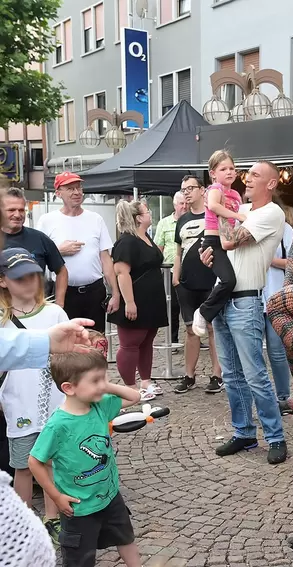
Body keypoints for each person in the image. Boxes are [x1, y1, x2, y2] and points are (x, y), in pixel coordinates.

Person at [200, 160, 287, 465]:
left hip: (246, 301)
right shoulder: (242, 210)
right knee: (233, 376)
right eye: (246, 174)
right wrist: (208, 258)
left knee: (255, 375)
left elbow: (229, 241)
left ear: (271, 184)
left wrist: (219, 205)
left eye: (254, 175)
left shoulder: (271, 213)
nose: (246, 179)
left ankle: (275, 437)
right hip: (224, 298)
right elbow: (220, 248)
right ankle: (244, 433)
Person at [28, 348, 143, 567]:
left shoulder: (100, 406)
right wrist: (56, 497)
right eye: (95, 381)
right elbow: (35, 462)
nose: (102, 385)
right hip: (78, 507)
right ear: (69, 388)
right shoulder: (57, 425)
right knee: (80, 558)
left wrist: (103, 384)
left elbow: (134, 396)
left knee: (125, 538)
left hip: (110, 496)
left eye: (103, 378)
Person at [0, 248, 67, 544]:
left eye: (33, 275)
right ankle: (23, 520)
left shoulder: (55, 313)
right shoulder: (2, 320)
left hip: (55, 401)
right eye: (19, 277)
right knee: (23, 464)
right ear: (3, 281)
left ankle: (52, 519)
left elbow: (68, 358)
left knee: (50, 461)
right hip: (18, 402)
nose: (29, 282)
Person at [37, 172, 120, 333]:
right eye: (70, 189)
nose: (77, 192)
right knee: (67, 344)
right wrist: (59, 251)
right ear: (58, 193)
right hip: (64, 293)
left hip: (95, 292)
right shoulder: (47, 221)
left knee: (96, 341)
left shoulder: (96, 219)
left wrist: (115, 293)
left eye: (79, 187)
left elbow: (106, 259)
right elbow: (37, 258)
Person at [108, 200, 168, 401]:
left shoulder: (145, 237)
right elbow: (121, 272)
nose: (150, 214)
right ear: (139, 218)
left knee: (146, 341)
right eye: (147, 211)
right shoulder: (127, 241)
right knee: (130, 343)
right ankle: (130, 387)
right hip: (135, 298)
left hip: (152, 299)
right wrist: (130, 302)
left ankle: (145, 381)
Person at [172, 176, 222, 394]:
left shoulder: (213, 216)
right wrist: (176, 276)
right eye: (183, 190)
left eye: (191, 188)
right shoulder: (181, 220)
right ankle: (189, 375)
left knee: (213, 329)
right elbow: (178, 251)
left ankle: (217, 375)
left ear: (203, 190)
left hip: (210, 281)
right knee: (191, 329)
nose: (187, 193)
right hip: (186, 284)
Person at [191, 150, 245, 338]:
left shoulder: (237, 195)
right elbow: (214, 206)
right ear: (213, 173)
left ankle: (216, 315)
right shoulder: (215, 189)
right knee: (228, 279)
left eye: (232, 168)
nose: (229, 172)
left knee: (230, 281)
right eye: (223, 169)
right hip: (213, 241)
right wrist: (237, 215)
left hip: (229, 239)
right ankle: (203, 312)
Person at [2, 188, 68, 306]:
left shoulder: (39, 238)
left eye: (21, 210)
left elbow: (62, 271)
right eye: (11, 210)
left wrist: (59, 303)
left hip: (37, 309)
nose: (17, 215)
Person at [262, 204, 293, 406]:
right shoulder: (247, 227)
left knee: (276, 350)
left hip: (277, 298)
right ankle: (262, 398)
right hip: (252, 298)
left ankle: (283, 397)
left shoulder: (285, 230)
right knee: (253, 353)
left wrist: (270, 260)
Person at [154, 191, 187, 345]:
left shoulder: (193, 220)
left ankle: (193, 338)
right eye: (181, 204)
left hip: (190, 270)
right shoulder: (164, 223)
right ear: (175, 205)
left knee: (192, 305)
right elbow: (158, 248)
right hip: (170, 271)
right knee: (172, 307)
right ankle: (173, 339)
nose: (185, 206)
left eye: (186, 203)